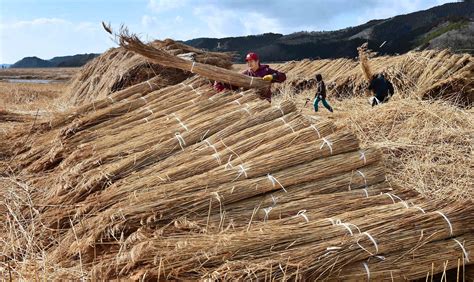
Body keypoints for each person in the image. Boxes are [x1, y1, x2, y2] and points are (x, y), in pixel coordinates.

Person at [213, 52, 286, 101]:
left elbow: (283, 76)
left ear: (257, 61)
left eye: (251, 61)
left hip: (264, 101)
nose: (249, 63)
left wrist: (272, 76)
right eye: (248, 62)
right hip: (249, 101)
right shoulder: (246, 74)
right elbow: (234, 86)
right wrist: (221, 83)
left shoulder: (266, 70)